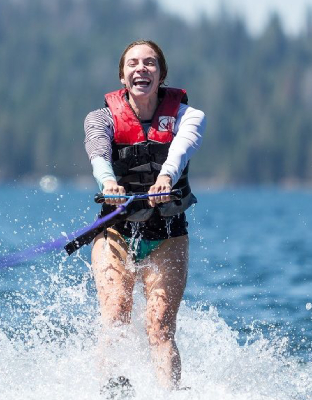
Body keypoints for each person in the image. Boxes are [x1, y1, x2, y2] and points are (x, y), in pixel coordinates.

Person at [82, 39, 206, 392]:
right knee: (116, 314)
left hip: (167, 235)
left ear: (162, 74)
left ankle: (169, 394)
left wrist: (166, 176)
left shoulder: (188, 116)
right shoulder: (100, 118)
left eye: (150, 63)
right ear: (122, 76)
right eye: (133, 63)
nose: (141, 69)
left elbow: (183, 146)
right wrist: (108, 182)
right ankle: (109, 389)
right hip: (115, 235)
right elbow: (98, 153)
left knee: (160, 327)